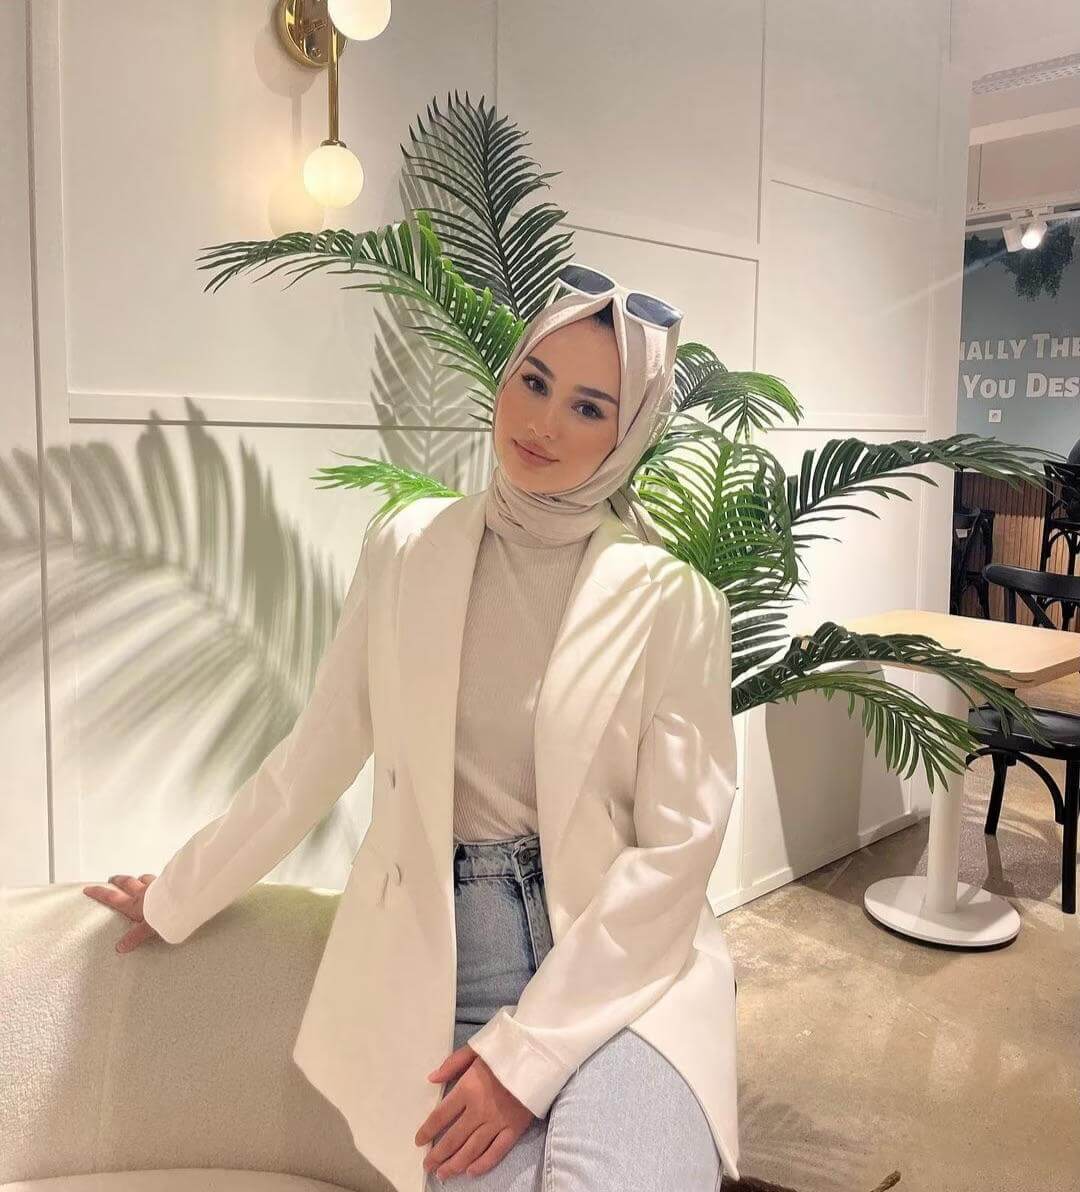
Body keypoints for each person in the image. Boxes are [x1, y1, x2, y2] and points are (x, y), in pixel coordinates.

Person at [83, 265, 737, 1192]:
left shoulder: (673, 600)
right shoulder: (407, 547)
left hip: (622, 965)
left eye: (590, 408)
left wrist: (527, 1059)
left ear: (627, 437)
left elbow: (678, 852)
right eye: (534, 381)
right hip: (451, 963)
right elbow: (317, 753)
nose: (544, 423)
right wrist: (179, 893)